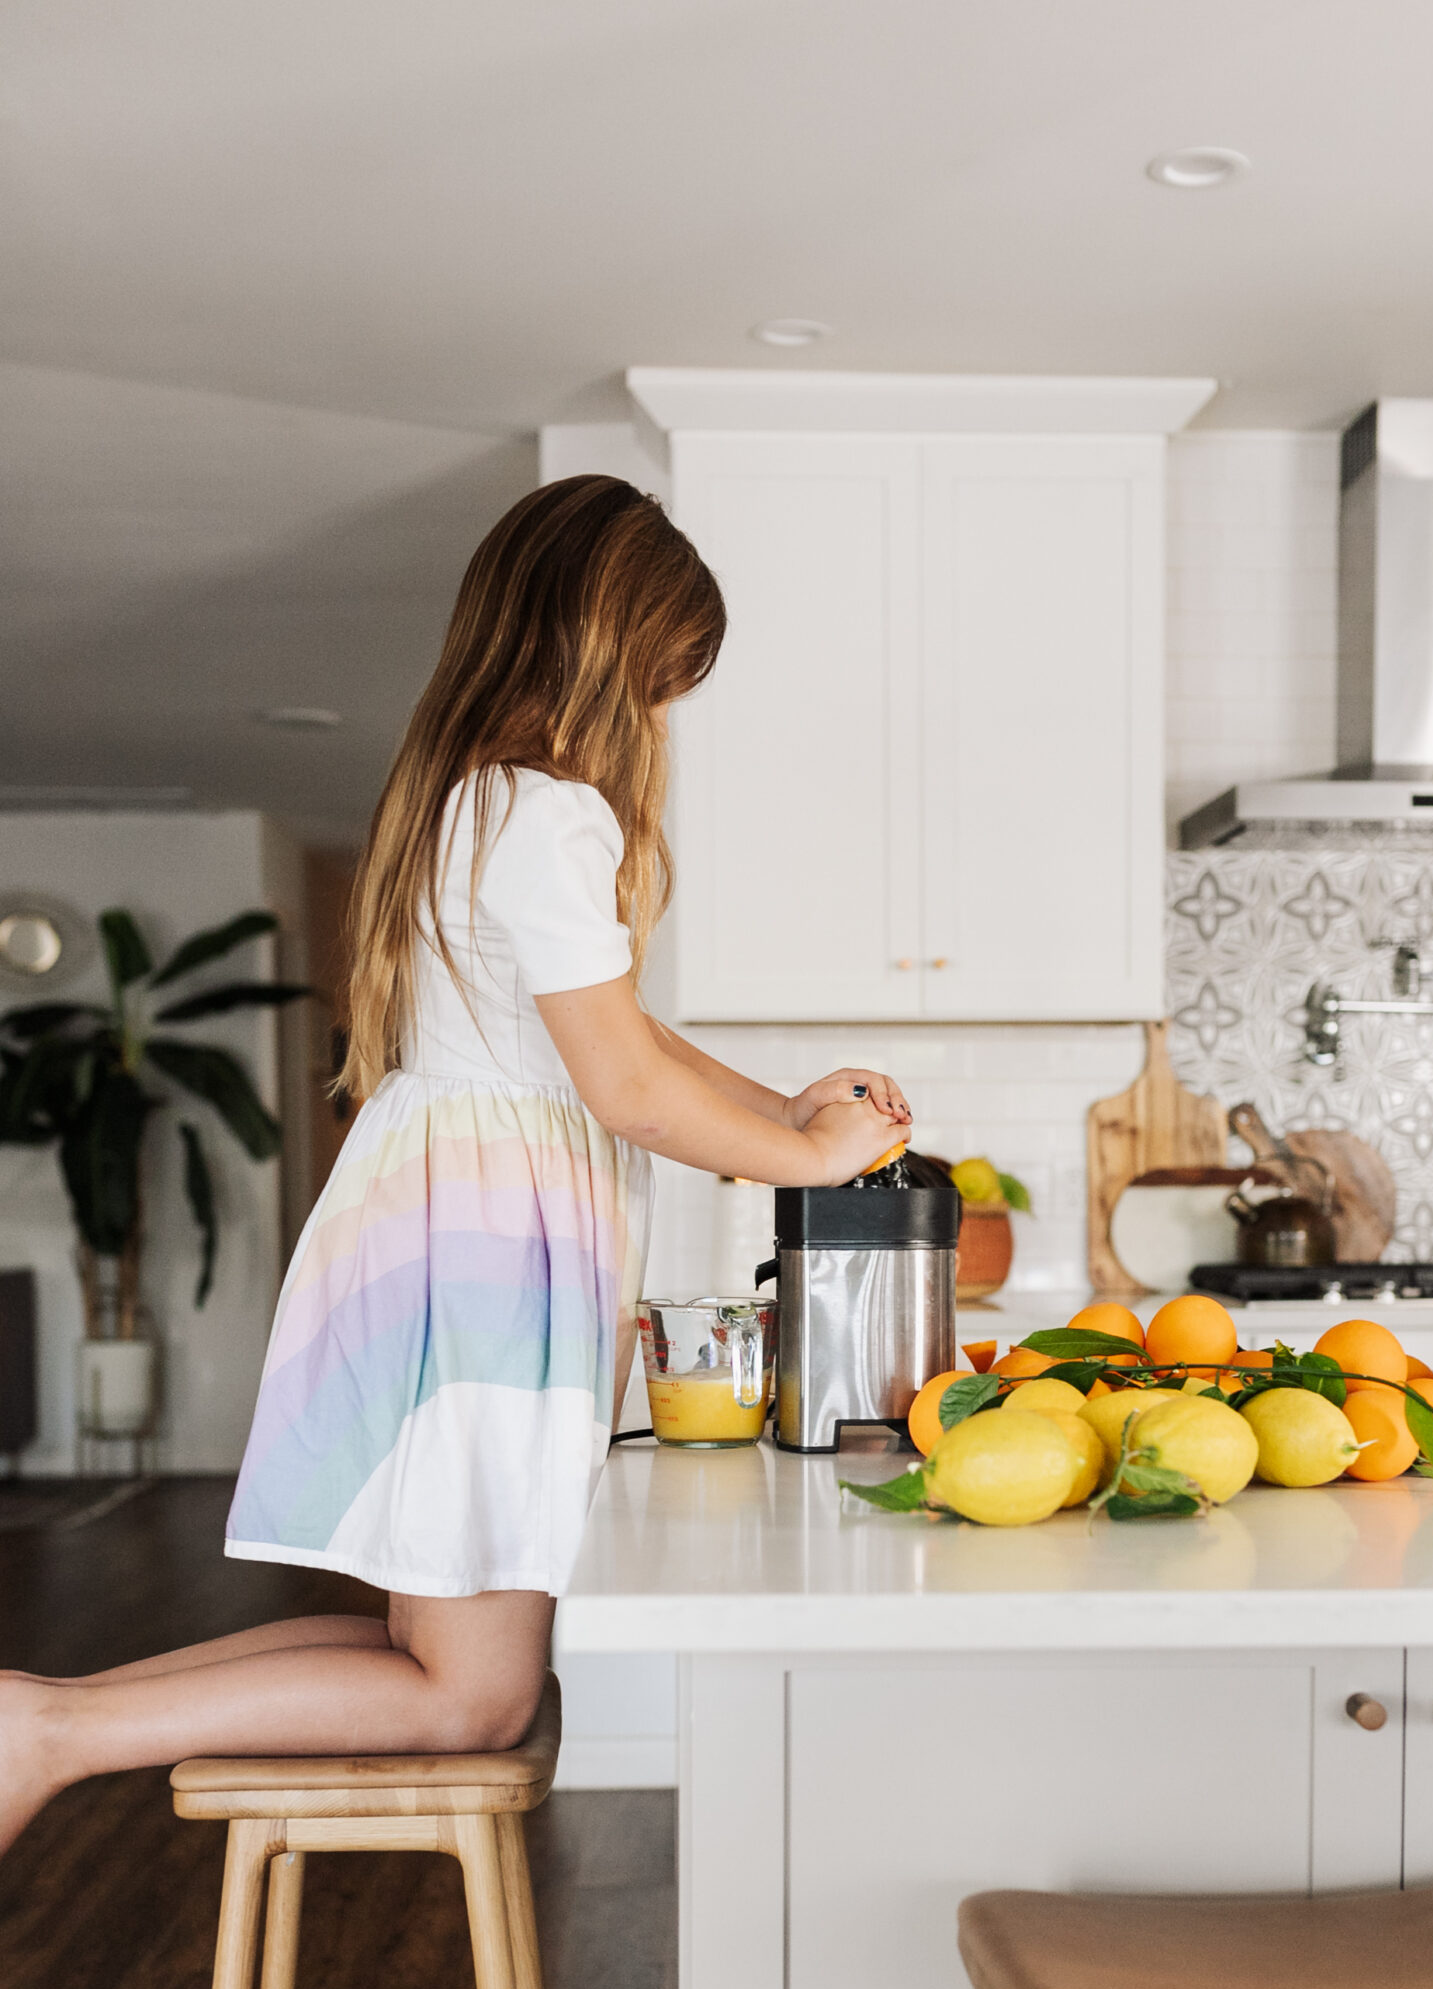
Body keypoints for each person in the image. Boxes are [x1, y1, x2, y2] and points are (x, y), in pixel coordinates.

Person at [0, 475, 909, 1856]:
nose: (664, 719)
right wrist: (809, 1160)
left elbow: (615, 1038)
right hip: (491, 1267)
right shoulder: (556, 817)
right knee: (476, 1697)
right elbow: (625, 1089)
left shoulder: (465, 803)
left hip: (436, 1237)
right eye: (664, 682)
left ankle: (40, 1717)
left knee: (431, 1652)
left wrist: (785, 1117)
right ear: (612, 659)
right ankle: (59, 1737)